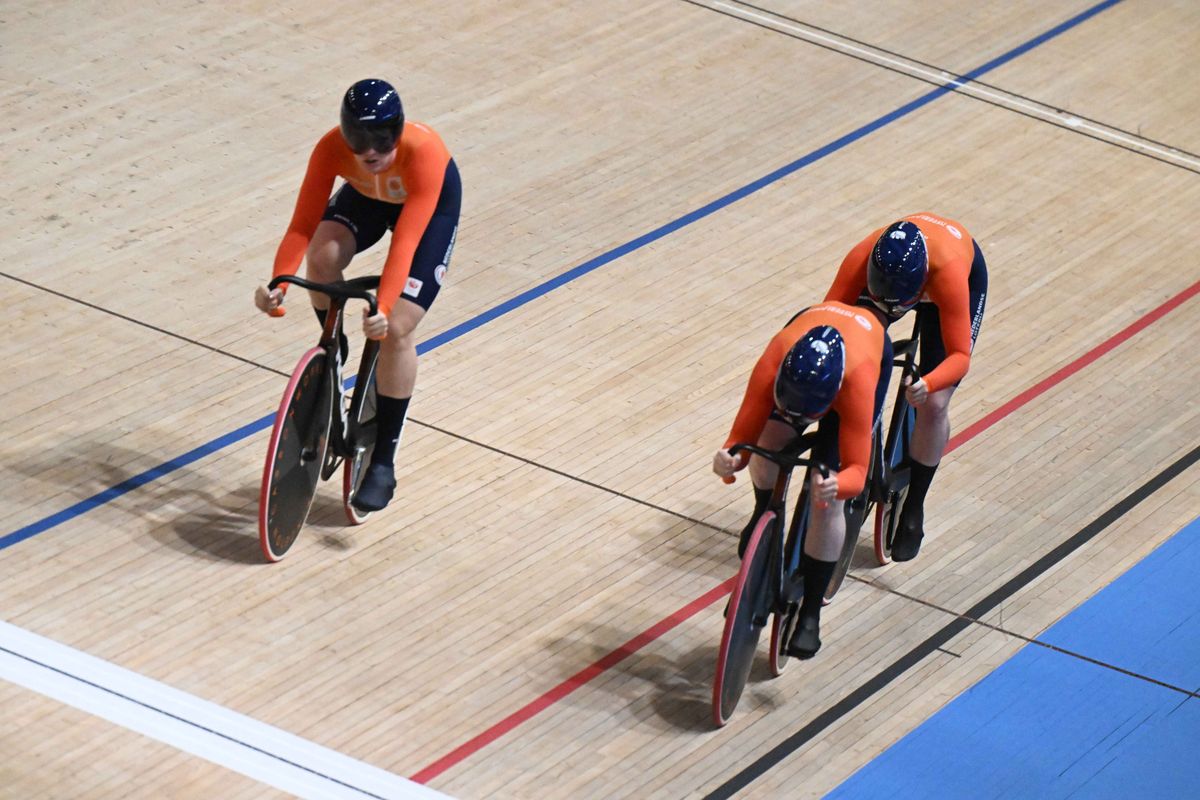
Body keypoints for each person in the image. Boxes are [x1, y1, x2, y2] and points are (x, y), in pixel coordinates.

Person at [254, 78, 462, 512]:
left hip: (426, 210)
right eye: (359, 142)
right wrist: (279, 281)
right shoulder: (330, 147)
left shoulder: (424, 154)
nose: (370, 153)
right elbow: (302, 224)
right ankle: (334, 346)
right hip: (369, 200)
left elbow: (404, 245)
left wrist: (383, 309)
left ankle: (383, 462)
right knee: (323, 256)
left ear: (399, 131)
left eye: (381, 141)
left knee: (398, 328)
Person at [713, 301, 891, 659]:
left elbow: (856, 471)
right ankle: (764, 508)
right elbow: (740, 437)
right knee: (766, 440)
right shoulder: (775, 357)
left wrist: (837, 486)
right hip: (801, 365)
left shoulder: (857, 381)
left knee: (826, 501)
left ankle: (810, 611)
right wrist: (729, 461)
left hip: (866, 361)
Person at [824, 213, 987, 562]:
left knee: (935, 404)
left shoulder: (949, 275)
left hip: (955, 279)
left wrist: (929, 383)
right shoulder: (862, 257)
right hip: (895, 283)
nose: (892, 310)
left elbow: (959, 356)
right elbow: (830, 323)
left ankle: (914, 506)